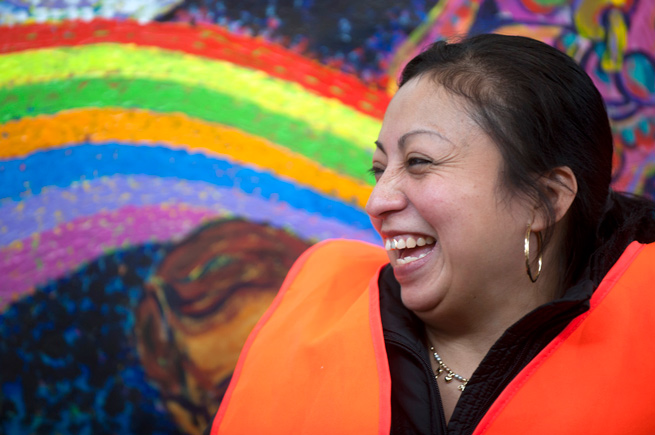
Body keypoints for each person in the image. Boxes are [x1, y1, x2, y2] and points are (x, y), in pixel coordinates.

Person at [205, 34, 655, 434]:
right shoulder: (311, 315)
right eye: (379, 170)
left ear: (544, 199)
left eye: (419, 162)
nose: (377, 203)